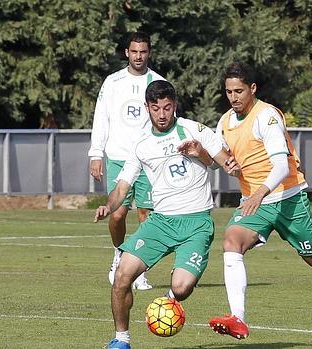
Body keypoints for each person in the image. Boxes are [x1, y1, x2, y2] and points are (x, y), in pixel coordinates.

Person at [207, 62, 312, 345]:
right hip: (254, 204)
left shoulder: (266, 116)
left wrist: (259, 193)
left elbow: (281, 166)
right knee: (231, 241)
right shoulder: (225, 122)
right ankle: (238, 318)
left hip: (288, 198)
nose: (233, 97)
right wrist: (210, 157)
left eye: (239, 91)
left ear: (252, 89)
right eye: (229, 91)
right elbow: (221, 160)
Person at [95, 80, 239, 349]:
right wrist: (109, 206)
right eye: (156, 108)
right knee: (122, 276)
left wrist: (202, 153)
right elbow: (122, 186)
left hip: (196, 223)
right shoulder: (141, 144)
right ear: (147, 108)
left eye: (167, 107)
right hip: (160, 223)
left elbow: (225, 163)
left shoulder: (194, 129)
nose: (162, 114)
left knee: (182, 288)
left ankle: (167, 301)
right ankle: (121, 340)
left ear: (174, 106)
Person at [88, 32, 165, 290]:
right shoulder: (113, 82)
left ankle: (139, 267)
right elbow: (102, 117)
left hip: (148, 159)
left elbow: (168, 120)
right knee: (118, 213)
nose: (139, 56)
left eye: (143, 51)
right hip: (119, 157)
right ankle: (119, 254)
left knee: (147, 215)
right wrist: (96, 153)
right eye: (134, 51)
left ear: (149, 53)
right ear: (127, 53)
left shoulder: (158, 81)